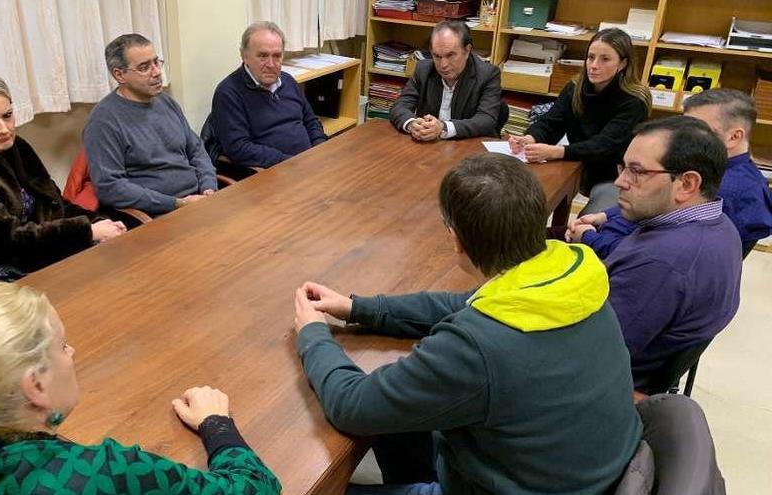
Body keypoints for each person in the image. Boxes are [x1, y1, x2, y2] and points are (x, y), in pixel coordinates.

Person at [293, 154, 641, 494]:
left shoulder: (477, 345)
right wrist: (357, 308)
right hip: (578, 474)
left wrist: (313, 333)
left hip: (515, 482)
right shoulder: (574, 277)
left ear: (456, 239)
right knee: (402, 414)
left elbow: (351, 405)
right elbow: (460, 304)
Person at [0, 282, 281, 495]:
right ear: (37, 386)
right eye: (62, 346)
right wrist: (217, 424)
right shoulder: (102, 473)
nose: (73, 352)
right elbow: (256, 490)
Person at [0, 62, 125, 296]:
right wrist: (87, 232)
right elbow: (5, 241)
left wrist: (100, 222)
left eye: (7, 116)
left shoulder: (15, 146)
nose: (4, 129)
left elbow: (55, 204)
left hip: (31, 255)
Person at [597, 116, 742, 392]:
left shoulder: (661, 263)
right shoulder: (720, 224)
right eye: (624, 167)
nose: (620, 181)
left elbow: (590, 352)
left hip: (604, 388)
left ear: (687, 184)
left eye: (636, 172)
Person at [570, 88, 772, 259]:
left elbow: (645, 253)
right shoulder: (710, 168)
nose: (680, 138)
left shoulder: (724, 191)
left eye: (696, 129)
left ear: (734, 137)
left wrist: (588, 237)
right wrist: (606, 215)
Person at [509, 28, 651, 214]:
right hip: (575, 164)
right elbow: (551, 122)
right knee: (520, 200)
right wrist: (531, 138)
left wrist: (558, 152)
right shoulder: (575, 87)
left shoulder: (634, 100)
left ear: (623, 63)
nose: (594, 65)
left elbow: (604, 145)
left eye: (605, 59)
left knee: (587, 224)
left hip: (613, 175)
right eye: (590, 57)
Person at [84, 34, 217, 216]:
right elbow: (111, 187)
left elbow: (196, 150)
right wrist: (177, 203)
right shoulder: (103, 121)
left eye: (156, 62)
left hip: (198, 200)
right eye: (144, 67)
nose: (156, 72)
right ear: (119, 75)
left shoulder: (166, 102)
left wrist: (208, 186)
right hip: (158, 213)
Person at [209, 22, 326, 175]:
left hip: (308, 164)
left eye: (277, 56)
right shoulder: (228, 93)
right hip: (274, 174)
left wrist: (321, 149)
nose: (271, 64)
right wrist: (291, 163)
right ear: (244, 56)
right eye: (263, 56)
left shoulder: (288, 81)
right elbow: (239, 148)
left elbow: (311, 121)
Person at [390, 20, 502, 141]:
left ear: (467, 50)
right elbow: (399, 106)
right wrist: (412, 124)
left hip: (467, 146)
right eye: (437, 56)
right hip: (429, 147)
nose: (443, 65)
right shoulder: (423, 70)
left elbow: (486, 119)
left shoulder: (488, 74)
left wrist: (443, 127)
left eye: (450, 55)